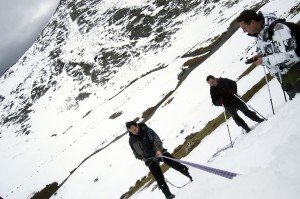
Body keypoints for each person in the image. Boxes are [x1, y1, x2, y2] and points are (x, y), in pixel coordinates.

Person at [236, 9, 300, 100]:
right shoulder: (259, 34)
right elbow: (270, 49)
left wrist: (264, 60)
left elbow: (288, 54)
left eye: (244, 28)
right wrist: (260, 55)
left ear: (253, 22)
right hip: (281, 73)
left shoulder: (278, 29)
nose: (244, 31)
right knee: (294, 100)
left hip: (294, 69)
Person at [126, 121, 192, 199]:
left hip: (159, 152)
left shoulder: (147, 131)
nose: (134, 132)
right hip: (149, 159)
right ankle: (168, 195)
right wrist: (142, 158)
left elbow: (157, 140)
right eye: (132, 131)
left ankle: (189, 175)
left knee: (175, 164)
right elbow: (135, 153)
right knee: (158, 177)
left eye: (134, 129)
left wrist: (158, 150)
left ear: (137, 126)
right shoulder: (131, 140)